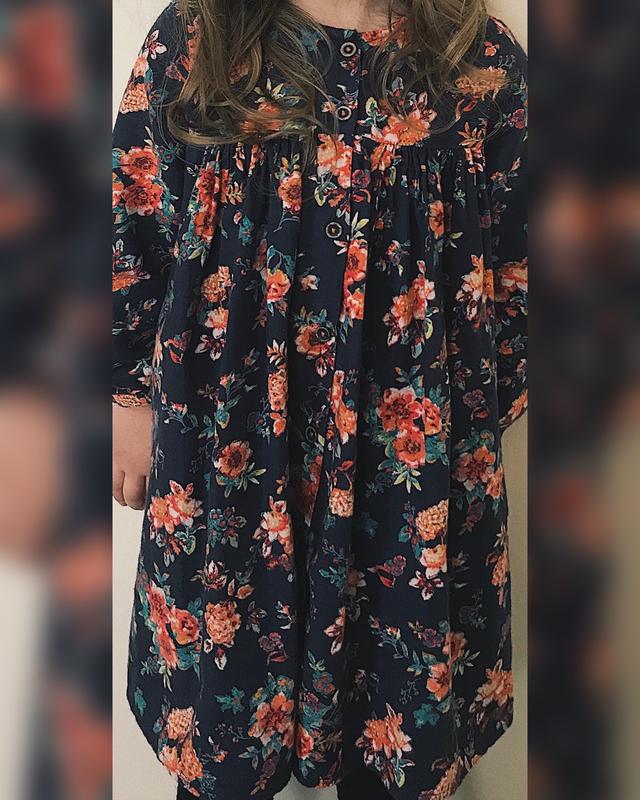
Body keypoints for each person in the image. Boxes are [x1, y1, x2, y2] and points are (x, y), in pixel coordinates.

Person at [112, 1, 527, 797]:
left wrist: (465, 432)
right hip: (227, 444)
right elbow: (133, 216)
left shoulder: (478, 61)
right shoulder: (199, 37)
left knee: (397, 722)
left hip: (406, 460)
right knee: (225, 721)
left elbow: (518, 268)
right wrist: (127, 396)